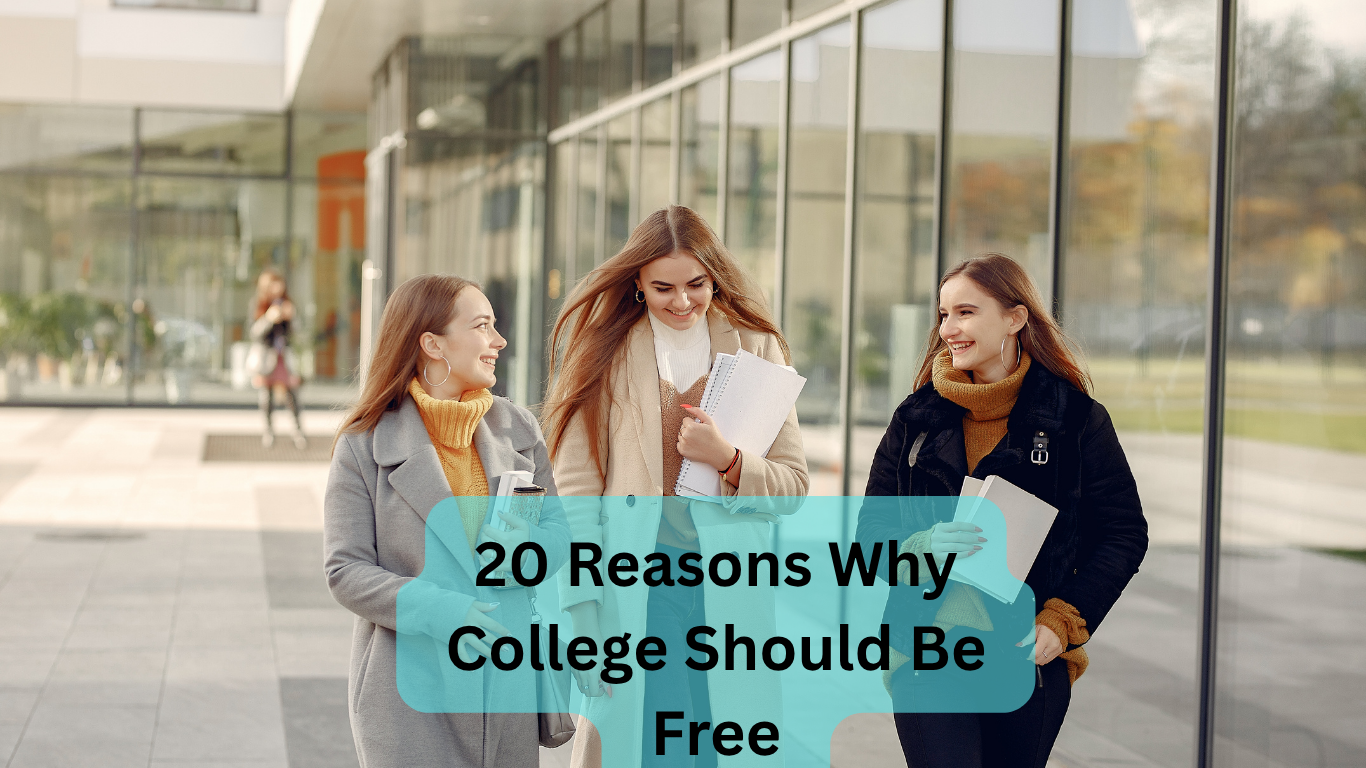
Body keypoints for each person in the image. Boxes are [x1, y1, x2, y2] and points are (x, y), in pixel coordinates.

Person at [542, 205, 809, 768]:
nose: (682, 301)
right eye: (663, 287)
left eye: (697, 284)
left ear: (715, 276)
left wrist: (730, 461)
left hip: (727, 590)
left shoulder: (756, 346)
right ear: (636, 281)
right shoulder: (602, 351)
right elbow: (576, 496)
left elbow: (792, 486)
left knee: (713, 742)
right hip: (634, 585)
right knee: (655, 738)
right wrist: (583, 615)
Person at [857, 253, 1148, 768]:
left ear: (1015, 319)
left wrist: (1062, 622)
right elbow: (871, 536)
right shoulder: (915, 420)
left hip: (1025, 657)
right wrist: (922, 548)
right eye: (944, 315)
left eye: (965, 313)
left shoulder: (1075, 420)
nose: (949, 328)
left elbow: (1123, 535)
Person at [323, 274, 571, 768]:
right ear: (432, 343)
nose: (498, 341)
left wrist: (524, 548)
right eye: (482, 326)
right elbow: (345, 571)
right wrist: (443, 612)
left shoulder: (519, 428)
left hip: (507, 686)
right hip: (412, 693)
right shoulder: (364, 443)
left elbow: (558, 536)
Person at [247, 268, 305, 448]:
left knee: (291, 395)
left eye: (280, 283)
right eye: (273, 283)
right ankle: (269, 432)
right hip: (266, 357)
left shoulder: (287, 304)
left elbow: (299, 332)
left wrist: (292, 317)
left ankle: (297, 431)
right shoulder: (259, 304)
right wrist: (269, 319)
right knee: (267, 397)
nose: (278, 287)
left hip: (284, 357)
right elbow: (253, 333)